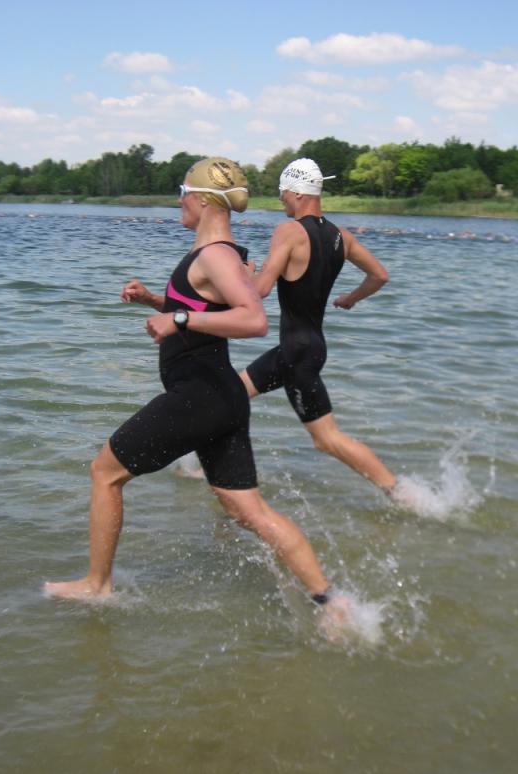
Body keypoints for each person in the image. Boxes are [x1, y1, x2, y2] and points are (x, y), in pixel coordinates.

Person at [45, 157, 341, 617]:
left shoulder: (216, 256)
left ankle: (96, 585)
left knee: (105, 472)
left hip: (200, 396)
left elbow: (254, 320)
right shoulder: (217, 254)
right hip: (221, 398)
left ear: (202, 200)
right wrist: (155, 301)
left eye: (182, 193)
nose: (178, 201)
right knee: (249, 512)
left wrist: (179, 319)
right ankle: (333, 604)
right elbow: (206, 309)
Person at [240, 158, 402, 501]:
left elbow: (261, 289)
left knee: (326, 438)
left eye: (282, 192)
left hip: (296, 353)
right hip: (307, 347)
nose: (280, 198)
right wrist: (350, 299)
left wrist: (244, 275)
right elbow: (380, 275)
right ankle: (208, 468)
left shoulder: (288, 231)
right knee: (233, 393)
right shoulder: (341, 237)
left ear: (298, 193)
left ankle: (400, 492)